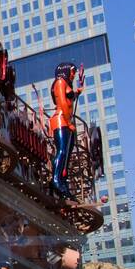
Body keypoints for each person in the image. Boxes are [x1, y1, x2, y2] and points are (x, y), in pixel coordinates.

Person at [48, 63, 84, 200]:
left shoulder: (66, 84)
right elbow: (63, 102)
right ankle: (55, 179)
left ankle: (63, 182)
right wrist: (69, 123)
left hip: (67, 122)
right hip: (61, 120)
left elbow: (69, 97)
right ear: (65, 71)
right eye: (72, 71)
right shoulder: (59, 82)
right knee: (62, 151)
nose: (73, 74)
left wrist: (77, 93)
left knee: (67, 155)